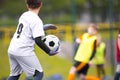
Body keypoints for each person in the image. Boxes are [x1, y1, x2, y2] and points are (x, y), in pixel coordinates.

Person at [7, 0, 59, 80]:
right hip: (23, 50)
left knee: (14, 75)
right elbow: (38, 40)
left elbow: (27, 31)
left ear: (27, 5)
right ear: (41, 5)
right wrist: (49, 51)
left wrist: (42, 28)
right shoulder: (37, 20)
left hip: (12, 49)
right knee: (39, 74)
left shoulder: (24, 15)